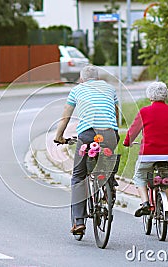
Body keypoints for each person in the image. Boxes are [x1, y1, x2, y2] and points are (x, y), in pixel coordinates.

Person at [54, 65, 120, 234]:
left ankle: (79, 221)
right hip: (110, 133)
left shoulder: (77, 89)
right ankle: (110, 184)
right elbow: (116, 114)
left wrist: (59, 136)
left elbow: (66, 116)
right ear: (98, 78)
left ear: (81, 79)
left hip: (88, 135)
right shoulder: (110, 89)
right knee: (108, 159)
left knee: (78, 176)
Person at [123, 81, 168, 217]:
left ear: (149, 96)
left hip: (148, 155)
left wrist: (127, 142)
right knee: (166, 178)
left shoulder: (144, 112)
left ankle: (146, 204)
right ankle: (166, 208)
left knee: (140, 176)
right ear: (166, 96)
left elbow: (132, 132)